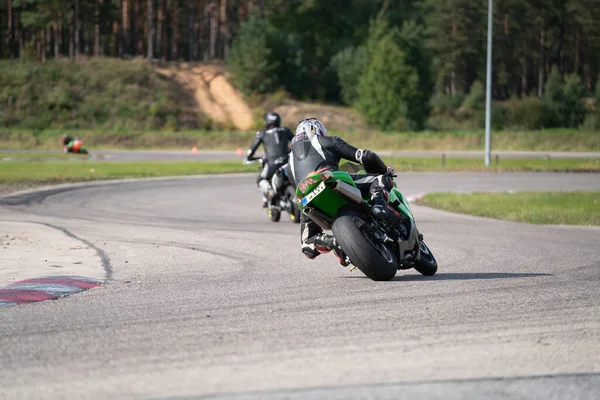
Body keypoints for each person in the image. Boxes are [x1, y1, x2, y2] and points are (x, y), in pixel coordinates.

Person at [288, 118, 403, 264]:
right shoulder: (328, 141)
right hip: (330, 179)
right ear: (318, 130)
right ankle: (379, 204)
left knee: (307, 244)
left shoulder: (289, 161)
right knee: (379, 179)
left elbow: (295, 185)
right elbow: (365, 156)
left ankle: (332, 242)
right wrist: (384, 169)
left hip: (306, 197)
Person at [246, 112, 295, 208]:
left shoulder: (262, 133)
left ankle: (269, 191)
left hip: (271, 164)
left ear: (267, 122)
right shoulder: (285, 130)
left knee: (260, 179)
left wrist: (249, 157)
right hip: (287, 161)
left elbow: (252, 149)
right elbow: (296, 141)